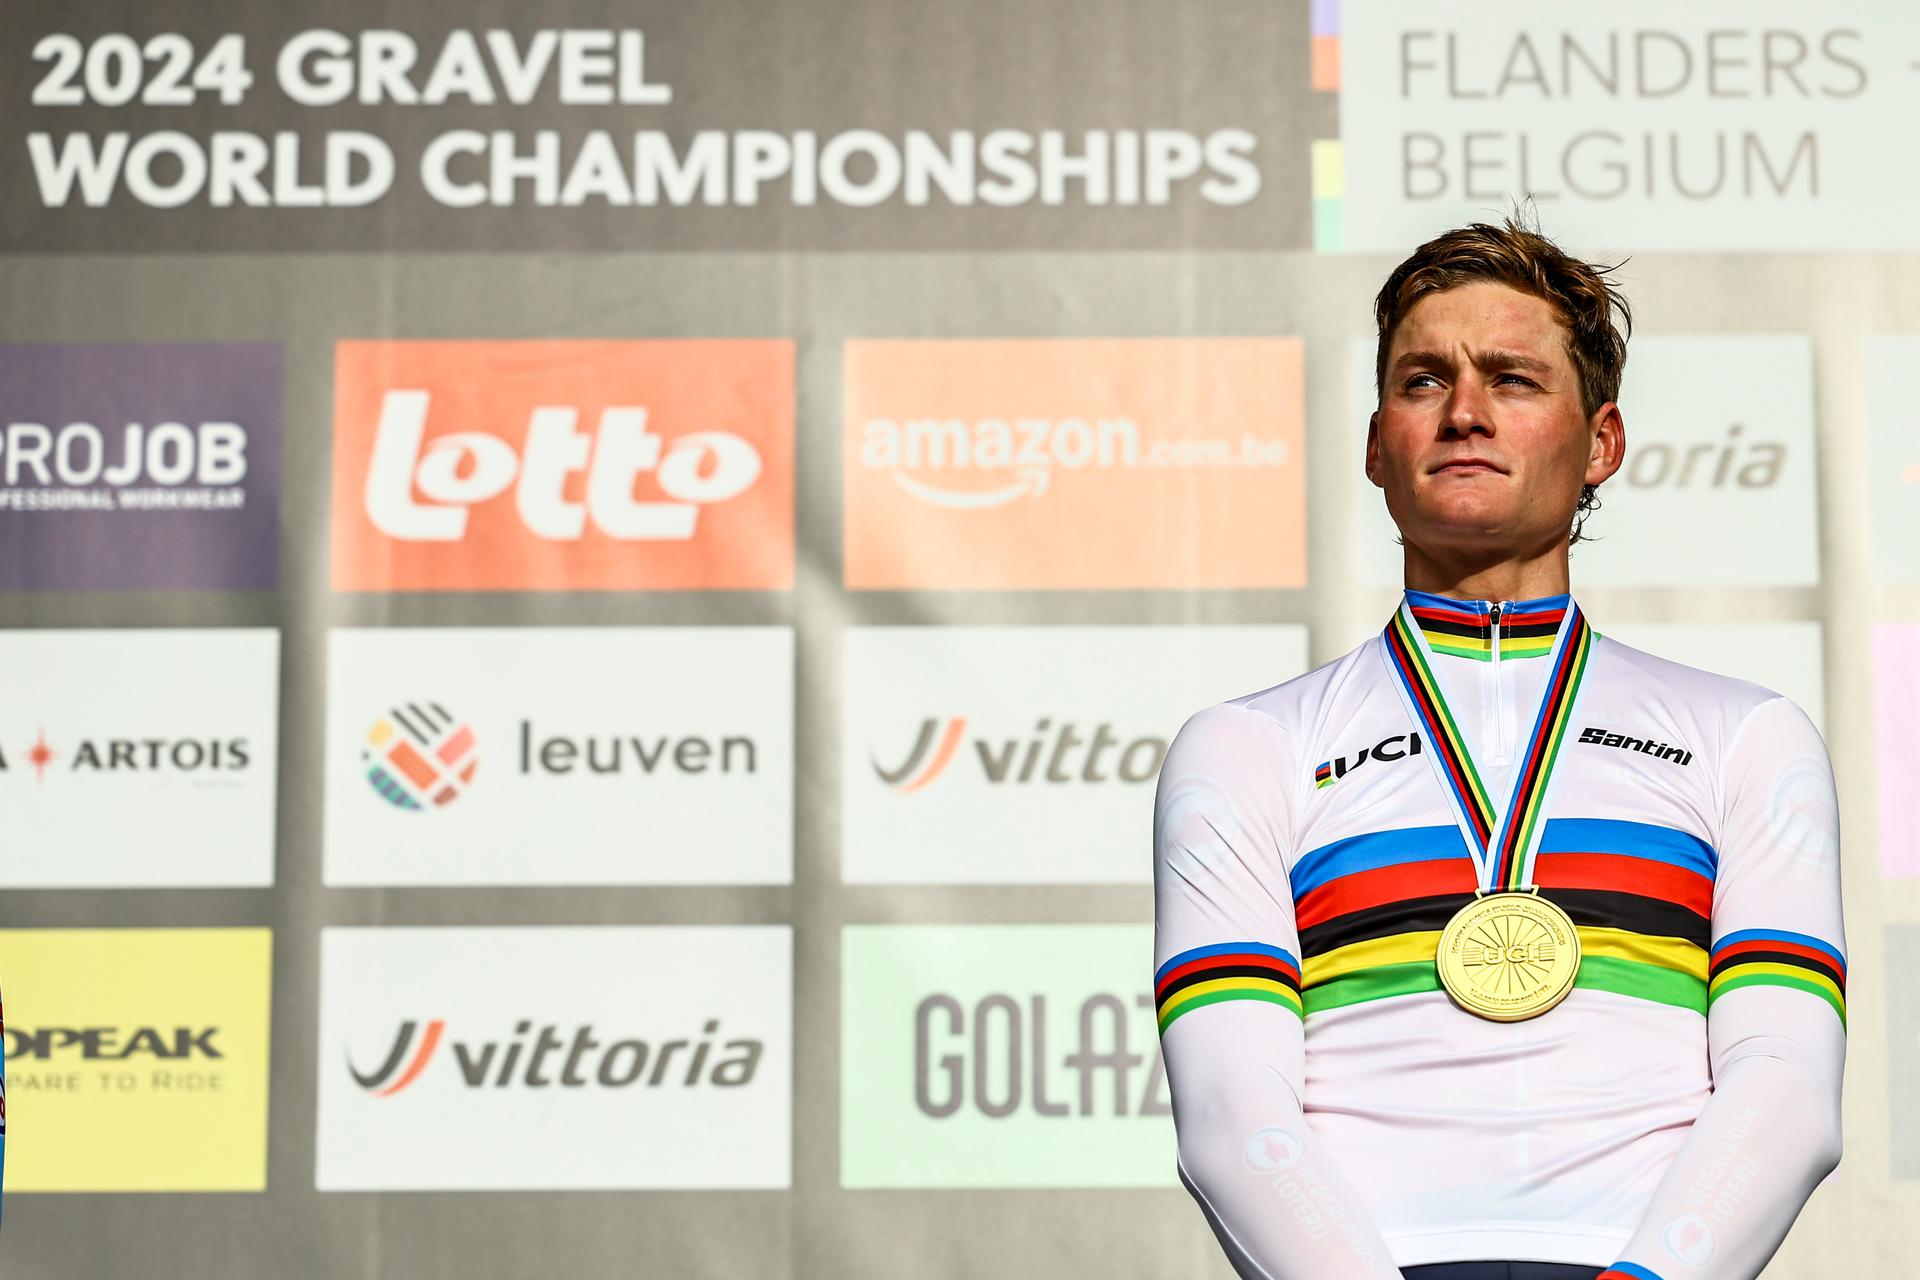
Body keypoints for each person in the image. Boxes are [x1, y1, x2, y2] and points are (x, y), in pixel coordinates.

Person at [1151, 216, 1845, 1280]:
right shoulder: (1248, 746)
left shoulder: (1744, 736)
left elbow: (1787, 1088)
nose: (1465, 411)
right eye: (1424, 380)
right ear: (1378, 442)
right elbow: (1227, 1110)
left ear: (1601, 441)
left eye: (1513, 379)